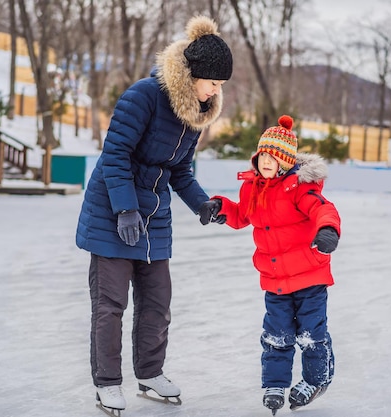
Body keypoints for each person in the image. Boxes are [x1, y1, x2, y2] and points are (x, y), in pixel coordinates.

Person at [75, 15, 233, 414]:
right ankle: (107, 383)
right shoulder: (144, 96)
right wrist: (125, 209)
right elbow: (115, 155)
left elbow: (179, 170)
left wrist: (201, 203)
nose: (217, 91)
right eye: (214, 82)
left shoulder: (196, 114)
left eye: (220, 86)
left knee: (158, 300)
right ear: (194, 74)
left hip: (154, 217)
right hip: (113, 210)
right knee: (110, 305)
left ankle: (149, 372)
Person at [200, 115, 341, 414]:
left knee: (311, 333)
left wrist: (327, 230)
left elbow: (323, 210)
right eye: (263, 154)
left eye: (274, 156)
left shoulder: (300, 188)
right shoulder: (252, 189)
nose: (266, 160)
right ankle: (275, 383)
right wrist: (219, 207)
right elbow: (241, 216)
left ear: (286, 161)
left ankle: (316, 380)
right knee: (276, 334)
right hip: (275, 280)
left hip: (309, 278)